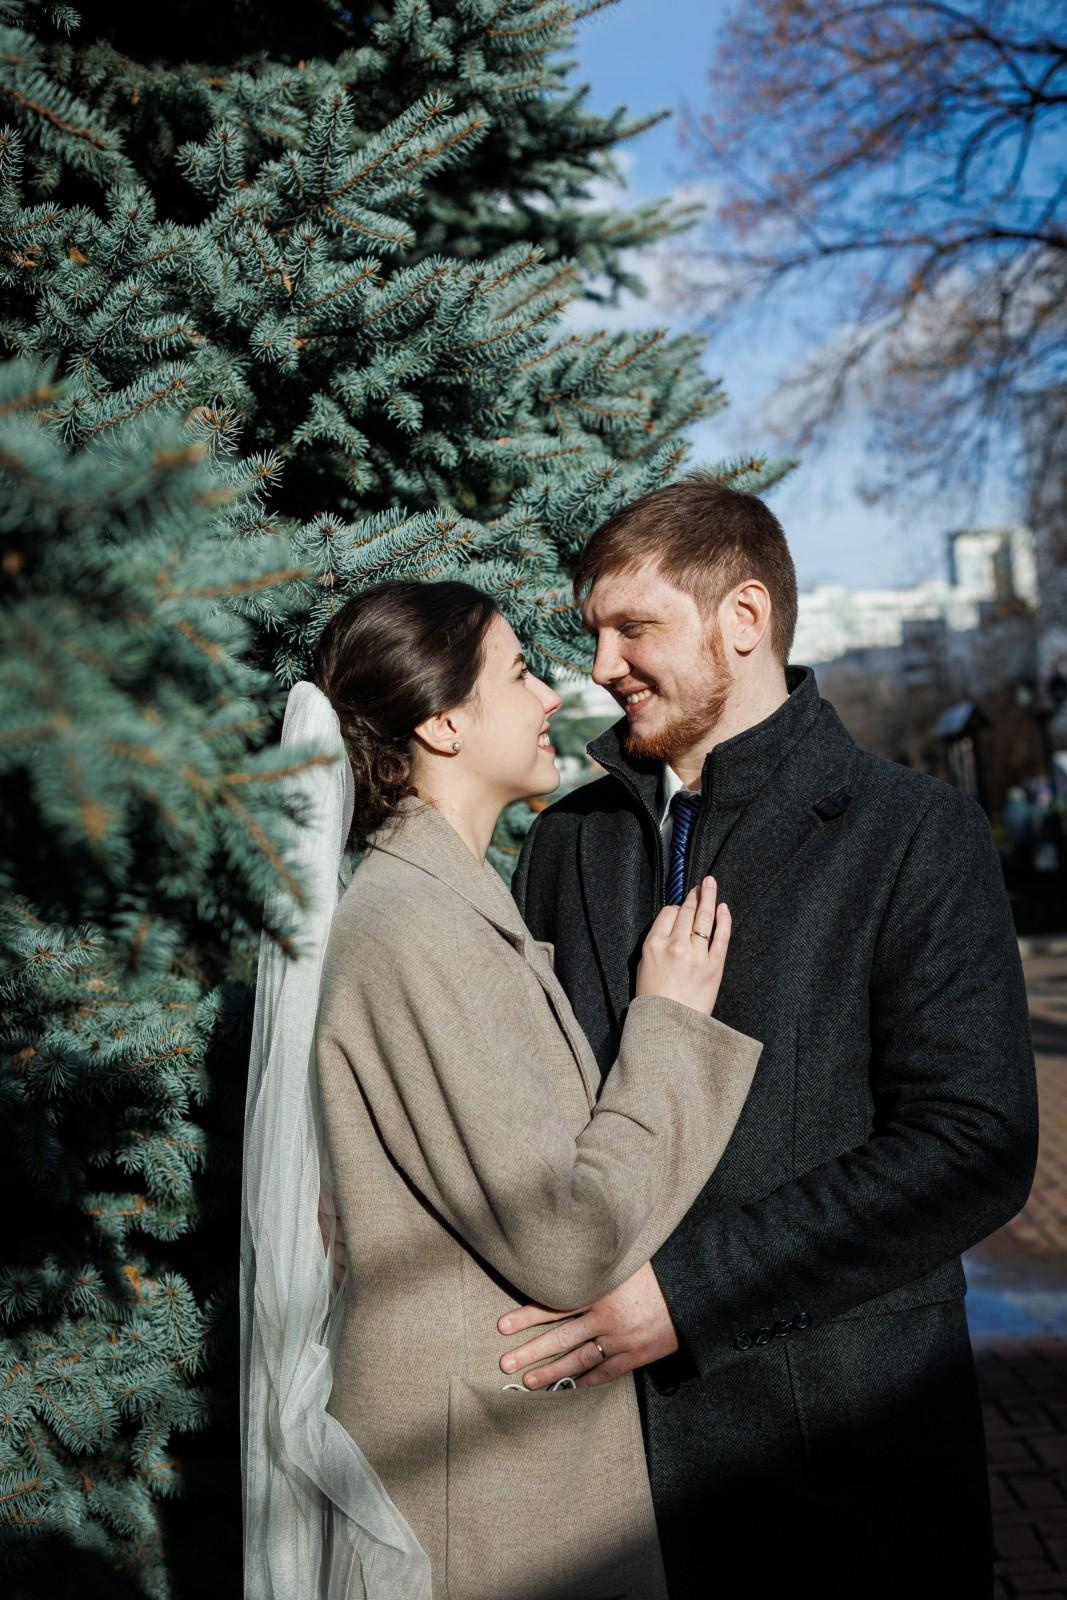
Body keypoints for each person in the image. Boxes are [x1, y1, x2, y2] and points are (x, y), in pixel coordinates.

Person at [504, 477, 1039, 1599]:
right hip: (603, 1479)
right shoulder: (567, 844)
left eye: (633, 627)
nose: (600, 665)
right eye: (592, 632)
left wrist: (686, 1296)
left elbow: (970, 1142)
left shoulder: (912, 832)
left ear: (740, 619)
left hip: (836, 1465)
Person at [241, 577, 764, 1600]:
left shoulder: (451, 904)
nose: (551, 697)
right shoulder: (412, 925)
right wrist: (668, 1023)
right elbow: (564, 1238)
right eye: (520, 672)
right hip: (475, 1495)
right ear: (441, 721)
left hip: (505, 1459)